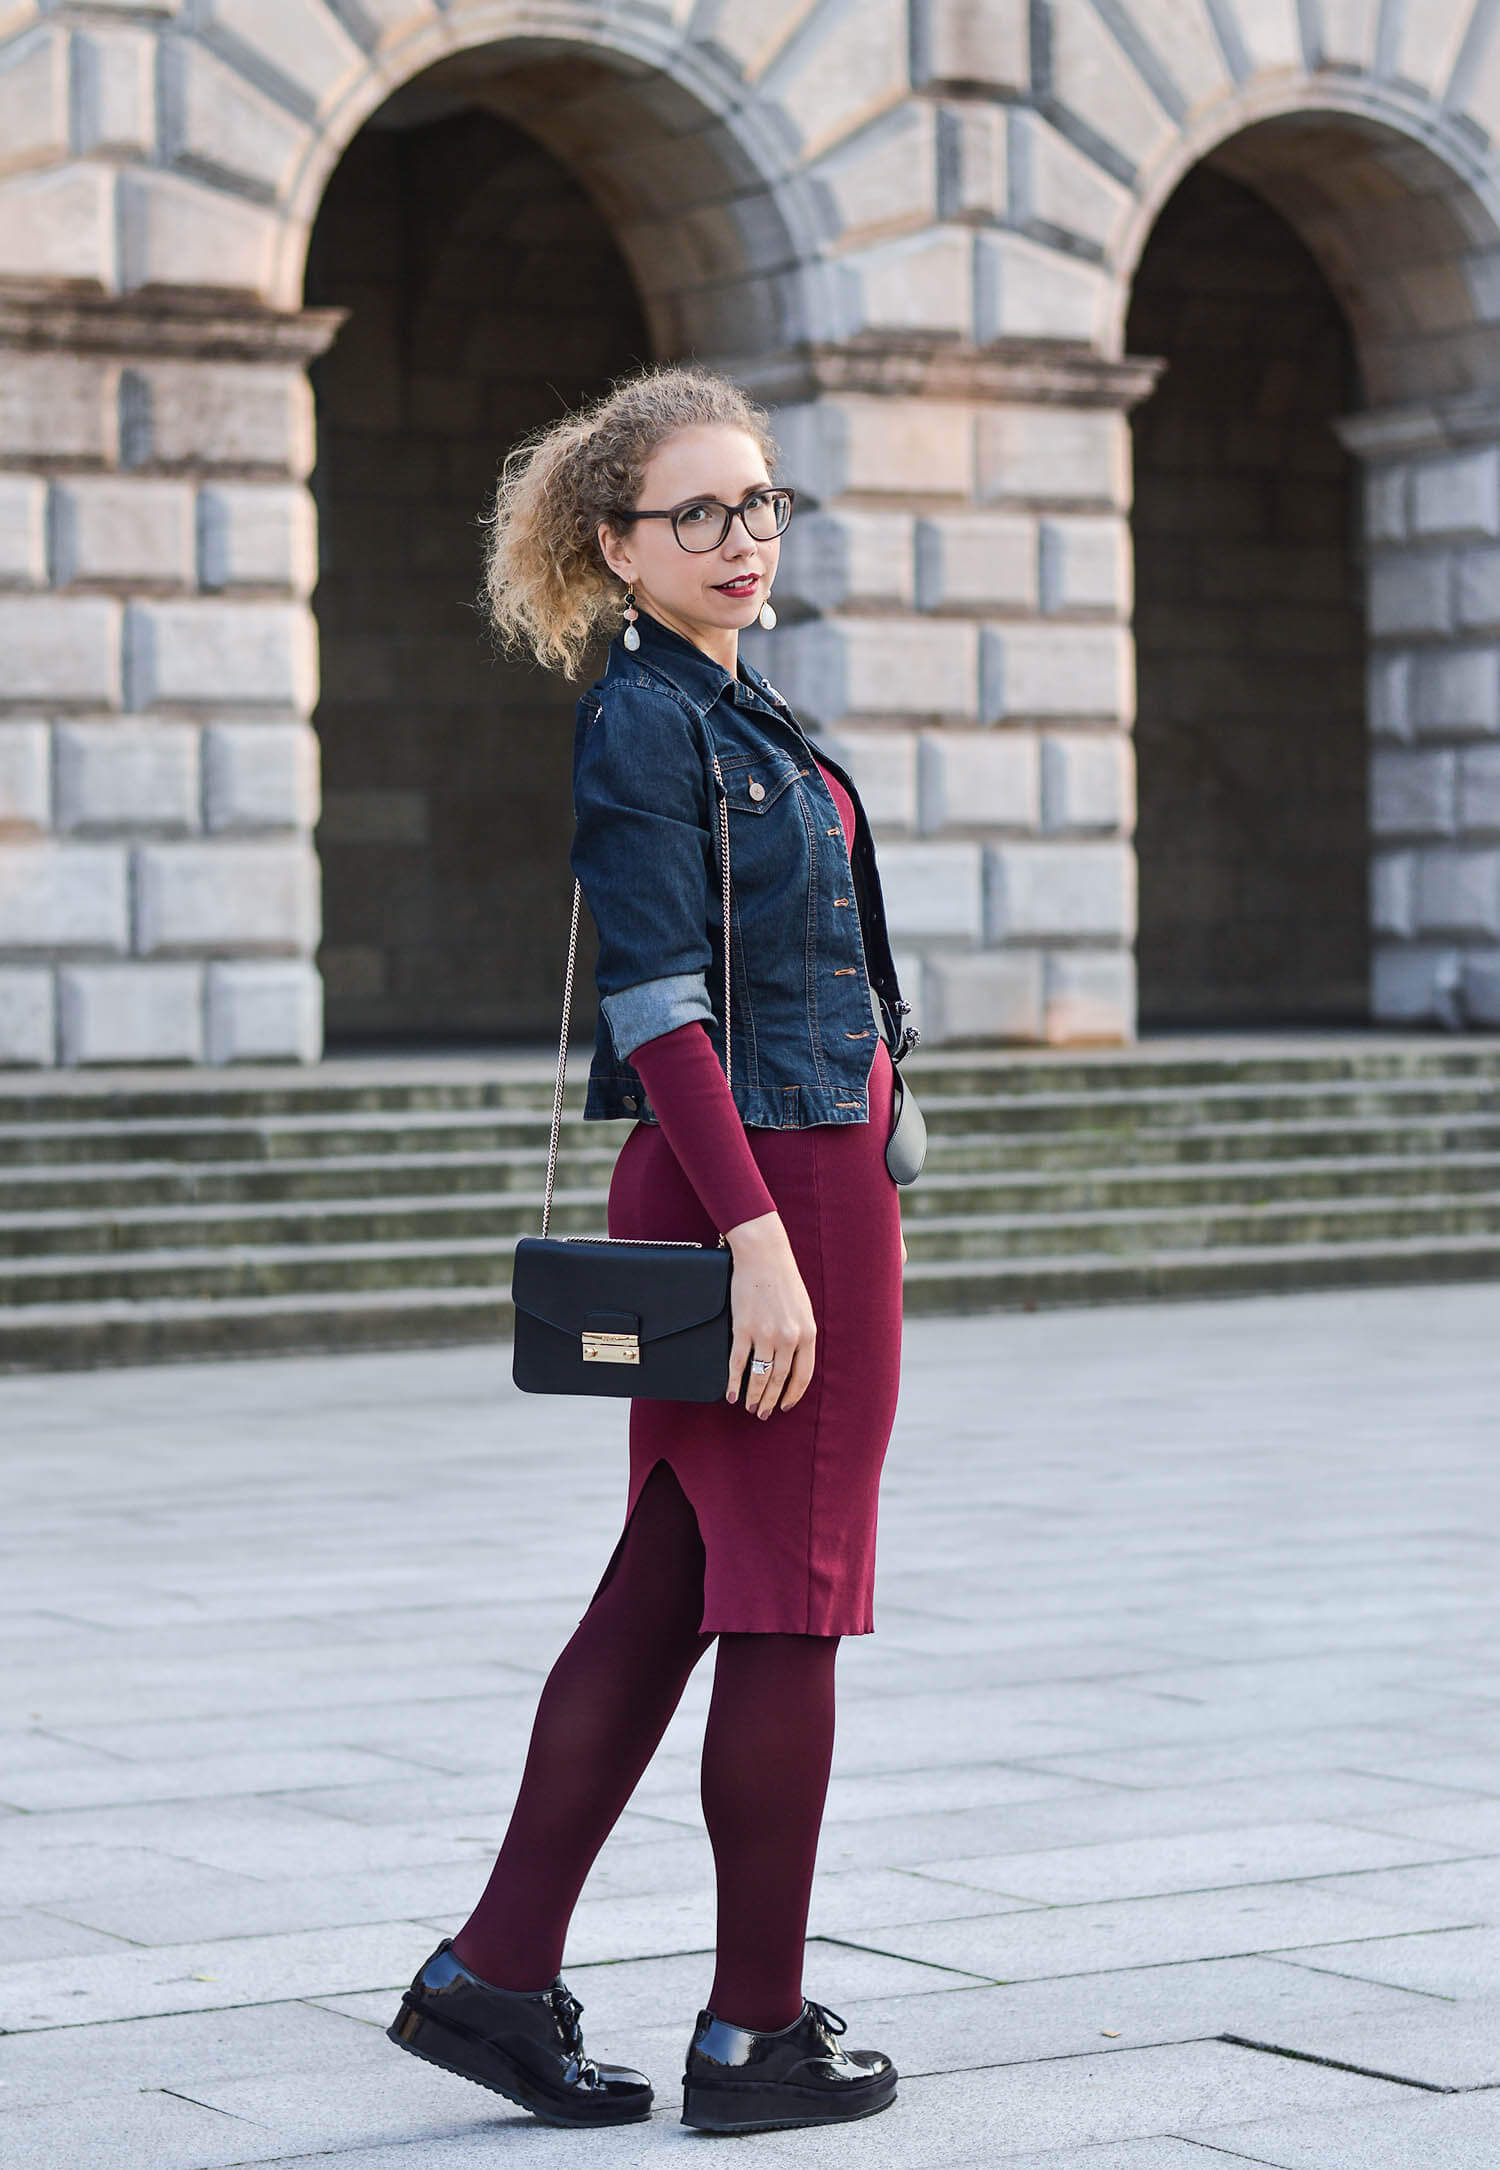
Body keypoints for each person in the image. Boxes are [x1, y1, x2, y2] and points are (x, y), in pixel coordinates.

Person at [386, 364, 915, 2136]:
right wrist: (767, 1237)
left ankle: (493, 1978)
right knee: (792, 1603)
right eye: (697, 513)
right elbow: (661, 1005)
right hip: (759, 1191)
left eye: (761, 504)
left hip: (791, 1169)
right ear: (615, 542)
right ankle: (754, 2032)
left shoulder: (730, 705)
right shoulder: (647, 725)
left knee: (674, 1585)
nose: (741, 538)